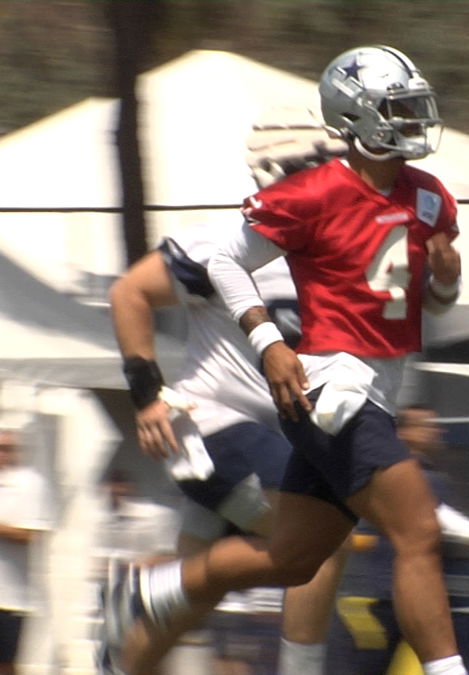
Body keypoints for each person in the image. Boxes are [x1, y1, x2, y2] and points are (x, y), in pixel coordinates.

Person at [99, 45, 468, 675]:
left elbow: (431, 303)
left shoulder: (426, 195)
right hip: (304, 398)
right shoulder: (302, 202)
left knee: (298, 557)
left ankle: (149, 592)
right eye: (396, 108)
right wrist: (250, 349)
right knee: (418, 532)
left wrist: (446, 280)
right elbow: (165, 279)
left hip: (352, 394)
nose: (412, 119)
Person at [103, 105, 352, 675]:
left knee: (189, 603)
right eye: (332, 173)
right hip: (217, 429)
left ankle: (126, 642)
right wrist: (146, 396)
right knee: (322, 538)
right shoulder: (226, 244)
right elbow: (129, 293)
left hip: (277, 443)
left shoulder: (339, 254)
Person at [330, 403, 469, 673]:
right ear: (404, 433)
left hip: (404, 594)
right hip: (392, 599)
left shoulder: (416, 475)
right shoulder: (409, 476)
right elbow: (435, 515)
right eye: (427, 426)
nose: (436, 431)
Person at [0, 428, 52, 675]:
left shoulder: (30, 485)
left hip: (11, 598)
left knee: (6, 665)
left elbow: (35, 536)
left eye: (6, 448)